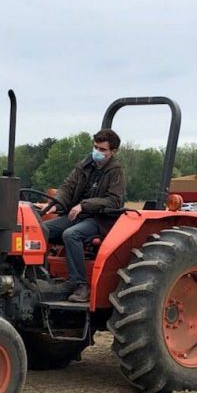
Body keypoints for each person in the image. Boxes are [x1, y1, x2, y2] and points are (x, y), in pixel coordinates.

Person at [44, 128, 126, 303]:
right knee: (40, 229)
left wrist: (84, 205)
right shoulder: (84, 165)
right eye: (95, 147)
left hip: (100, 219)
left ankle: (79, 284)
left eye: (102, 150)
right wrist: (55, 204)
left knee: (71, 234)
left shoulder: (116, 172)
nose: (97, 152)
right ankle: (39, 276)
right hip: (76, 215)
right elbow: (67, 187)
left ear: (113, 151)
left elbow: (114, 201)